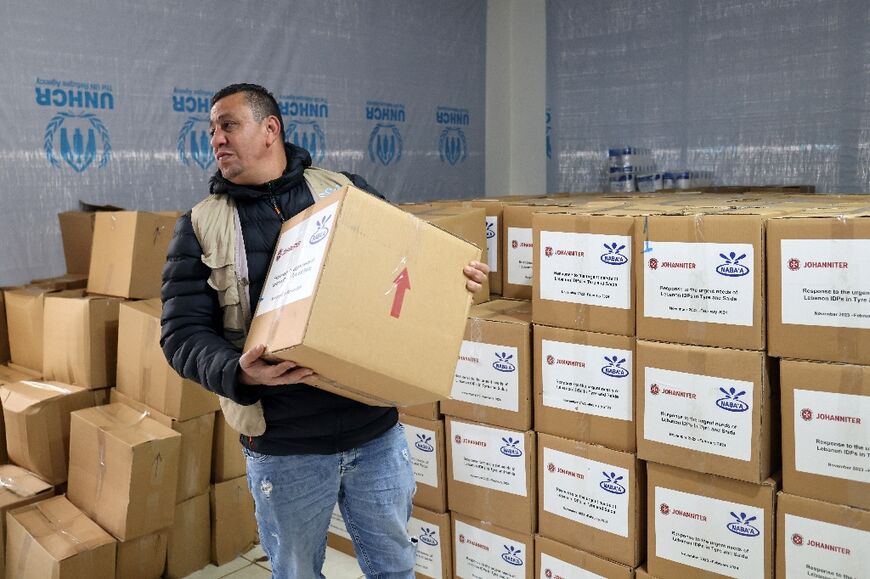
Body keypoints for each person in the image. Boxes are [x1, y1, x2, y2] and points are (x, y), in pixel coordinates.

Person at [160, 83, 489, 579]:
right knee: (296, 573)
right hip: (285, 446)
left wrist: (453, 280)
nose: (216, 140)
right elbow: (180, 335)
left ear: (270, 129)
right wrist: (238, 372)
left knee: (395, 567)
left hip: (373, 432)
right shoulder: (202, 226)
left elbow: (403, 263)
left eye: (228, 125)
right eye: (211, 131)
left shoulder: (344, 192)